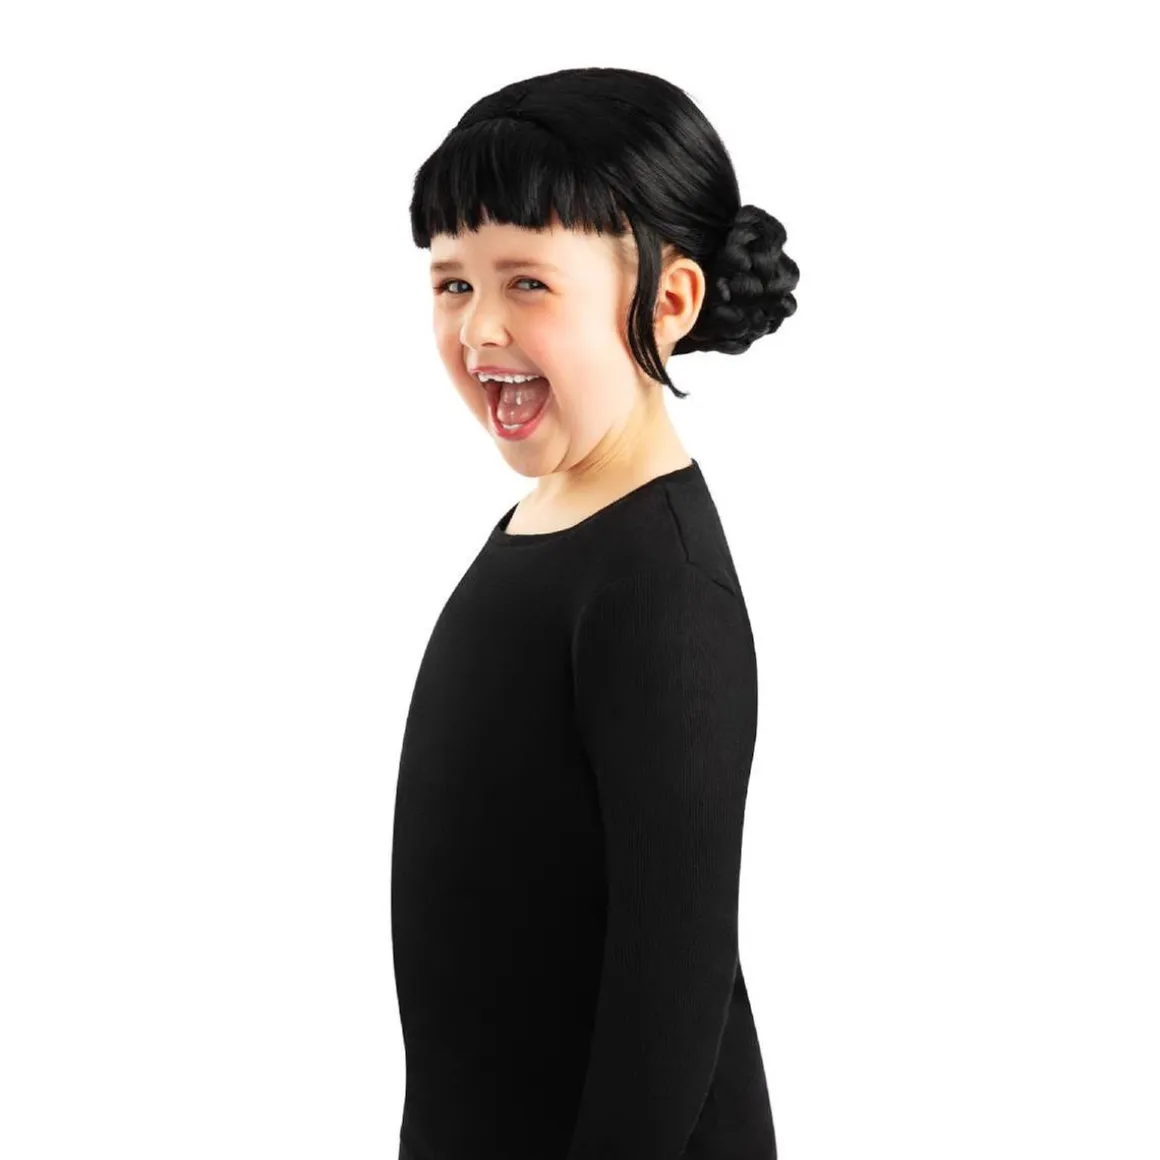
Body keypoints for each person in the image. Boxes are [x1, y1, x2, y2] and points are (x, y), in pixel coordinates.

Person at [391, 66, 799, 1160]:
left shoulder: (663, 593)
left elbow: (672, 998)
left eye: (527, 282)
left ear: (666, 302)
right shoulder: (550, 517)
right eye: (451, 282)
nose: (478, 328)